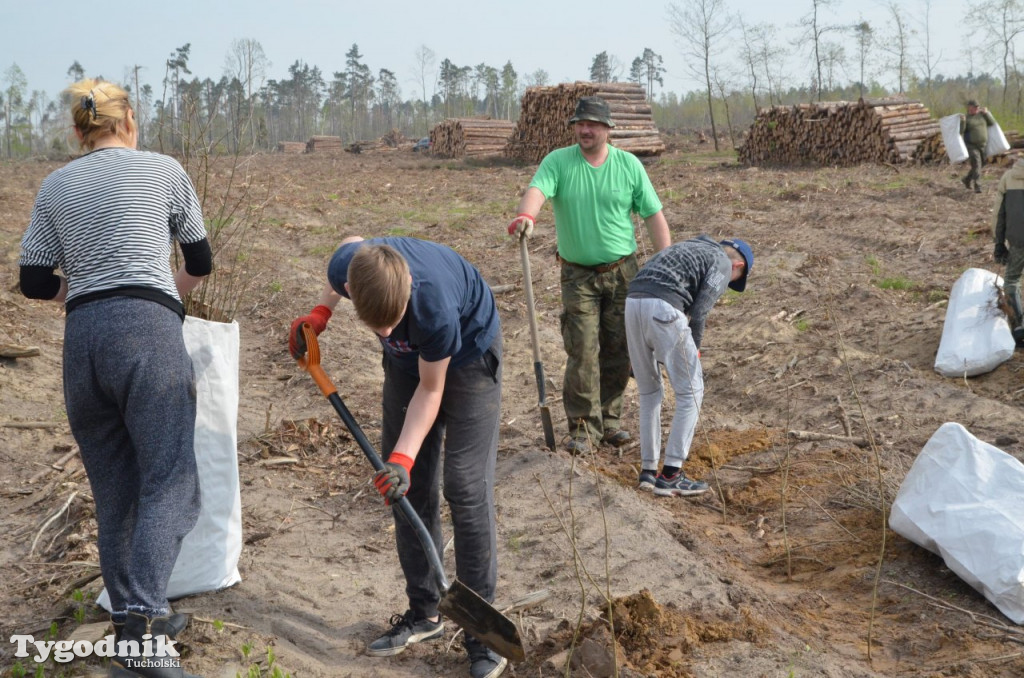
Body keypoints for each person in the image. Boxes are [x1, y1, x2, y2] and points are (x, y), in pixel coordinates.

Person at [18, 78, 210, 678]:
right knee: (171, 483)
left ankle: (133, 618)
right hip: (148, 337)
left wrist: (80, 291)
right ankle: (146, 631)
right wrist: (167, 296)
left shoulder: (56, 184)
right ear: (130, 122)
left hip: (83, 346)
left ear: (79, 132)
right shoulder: (164, 170)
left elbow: (30, 280)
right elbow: (200, 260)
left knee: (117, 493)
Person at [289, 236, 506, 678]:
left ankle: (482, 636)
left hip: (468, 355)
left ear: (407, 286)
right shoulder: (350, 266)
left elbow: (433, 389)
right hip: (409, 366)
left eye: (391, 323)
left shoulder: (434, 306)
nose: (385, 334)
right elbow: (350, 243)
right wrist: (321, 311)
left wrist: (402, 457)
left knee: (463, 486)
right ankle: (424, 612)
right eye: (376, 327)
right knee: (406, 492)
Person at [508, 96, 671, 454]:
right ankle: (583, 429)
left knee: (618, 348)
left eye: (593, 124)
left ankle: (610, 421)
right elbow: (536, 190)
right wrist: (527, 217)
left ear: (607, 129)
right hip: (577, 275)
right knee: (582, 349)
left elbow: (654, 216)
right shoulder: (559, 162)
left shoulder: (628, 165)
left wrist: (665, 264)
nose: (585, 129)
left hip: (623, 272)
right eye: (580, 124)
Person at [625, 235, 752, 496]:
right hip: (664, 306)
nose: (729, 284)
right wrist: (694, 350)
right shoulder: (723, 263)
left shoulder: (689, 246)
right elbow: (701, 310)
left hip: (632, 303)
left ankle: (648, 472)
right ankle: (672, 475)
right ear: (738, 267)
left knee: (649, 392)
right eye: (734, 283)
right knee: (692, 391)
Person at [993, 157, 1024, 347]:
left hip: (1018, 240)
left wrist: (999, 243)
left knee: (1011, 280)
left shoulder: (1008, 177)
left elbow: (999, 214)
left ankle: (1018, 325)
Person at [960, 100, 996, 193]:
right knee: (976, 164)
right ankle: (977, 186)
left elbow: (992, 123)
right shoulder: (966, 118)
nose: (975, 109)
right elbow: (961, 131)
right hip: (971, 145)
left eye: (976, 107)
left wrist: (986, 113)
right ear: (969, 108)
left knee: (982, 164)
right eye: (973, 107)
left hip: (983, 145)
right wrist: (963, 121)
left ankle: (967, 179)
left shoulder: (982, 115)